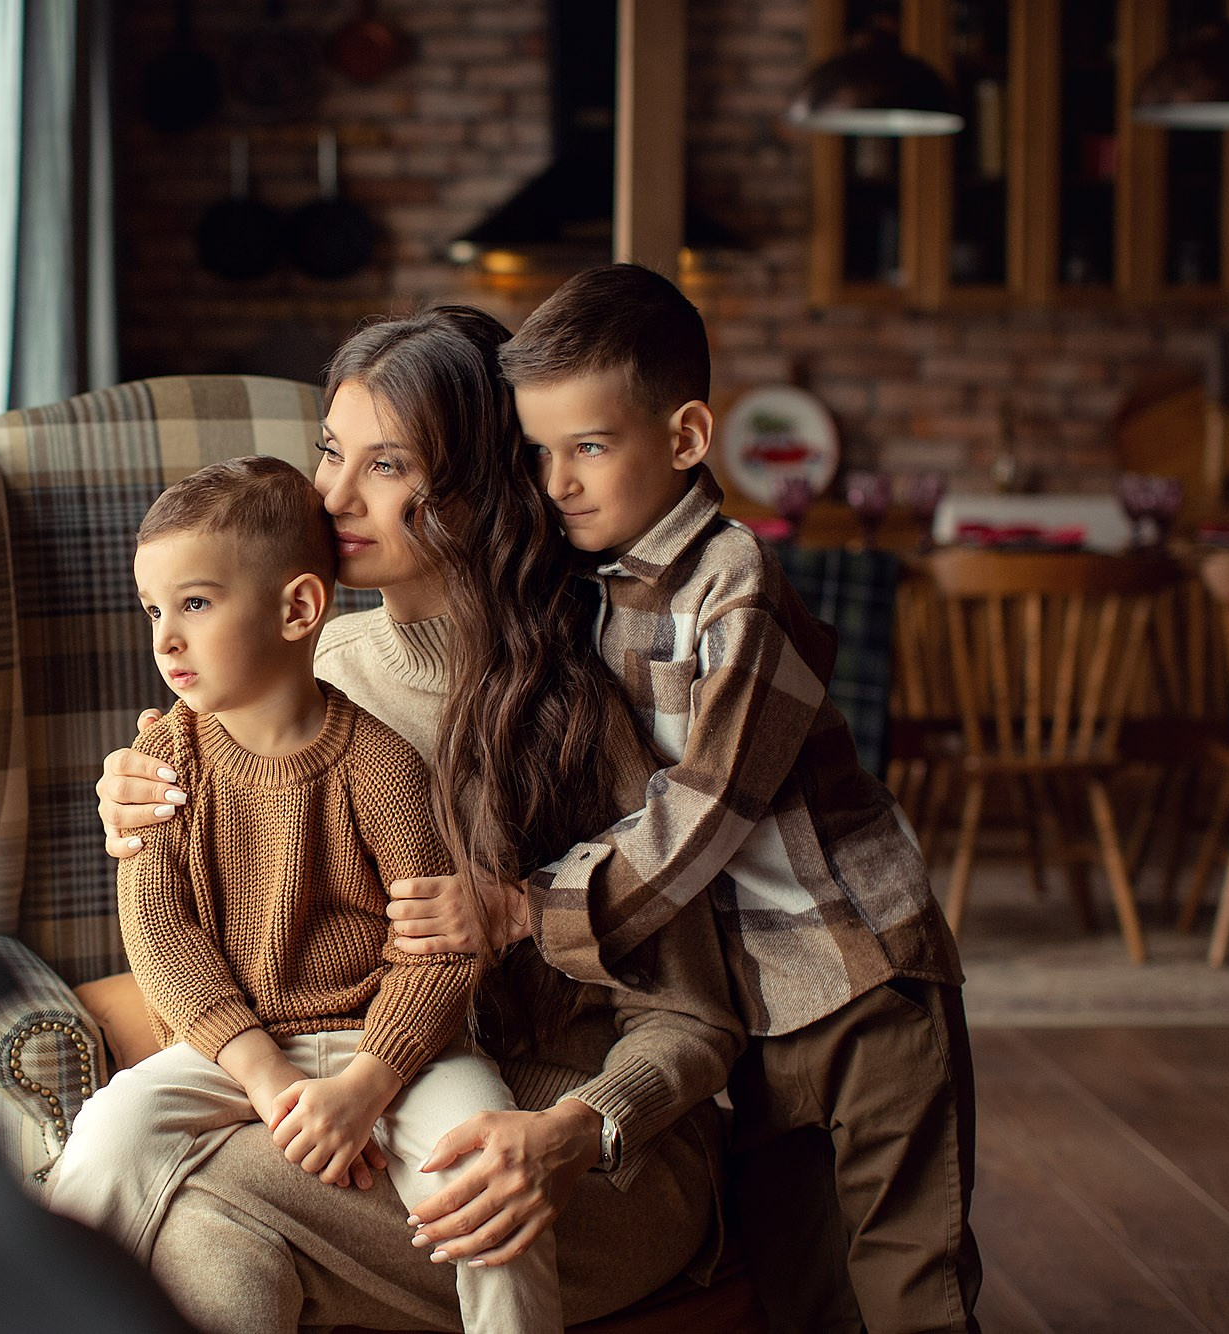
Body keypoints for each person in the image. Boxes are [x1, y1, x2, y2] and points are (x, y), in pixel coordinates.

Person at [97, 307, 745, 1334]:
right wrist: (135, 797)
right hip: (339, 1109)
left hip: (560, 1161)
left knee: (172, 1175)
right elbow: (204, 917)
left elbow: (696, 1018)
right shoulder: (289, 676)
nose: (332, 495)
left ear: (478, 486)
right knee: (202, 1225)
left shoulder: (579, 711)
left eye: (387, 464)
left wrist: (572, 1133)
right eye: (328, 450)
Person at [469, 262, 980, 1333]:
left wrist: (533, 907)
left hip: (858, 976)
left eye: (590, 446)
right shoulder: (594, 594)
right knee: (795, 1282)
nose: (556, 481)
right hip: (755, 1007)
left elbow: (703, 809)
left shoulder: (736, 590)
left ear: (687, 436)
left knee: (906, 1281)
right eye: (538, 451)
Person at [50, 454, 562, 1332]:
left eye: (196, 604)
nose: (165, 638)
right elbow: (160, 936)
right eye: (154, 611)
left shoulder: (382, 765)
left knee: (481, 1181)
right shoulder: (166, 761)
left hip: (397, 1049)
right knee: (110, 1132)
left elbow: (436, 946)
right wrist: (265, 1075)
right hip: (233, 1049)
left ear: (297, 609)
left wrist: (370, 1081)